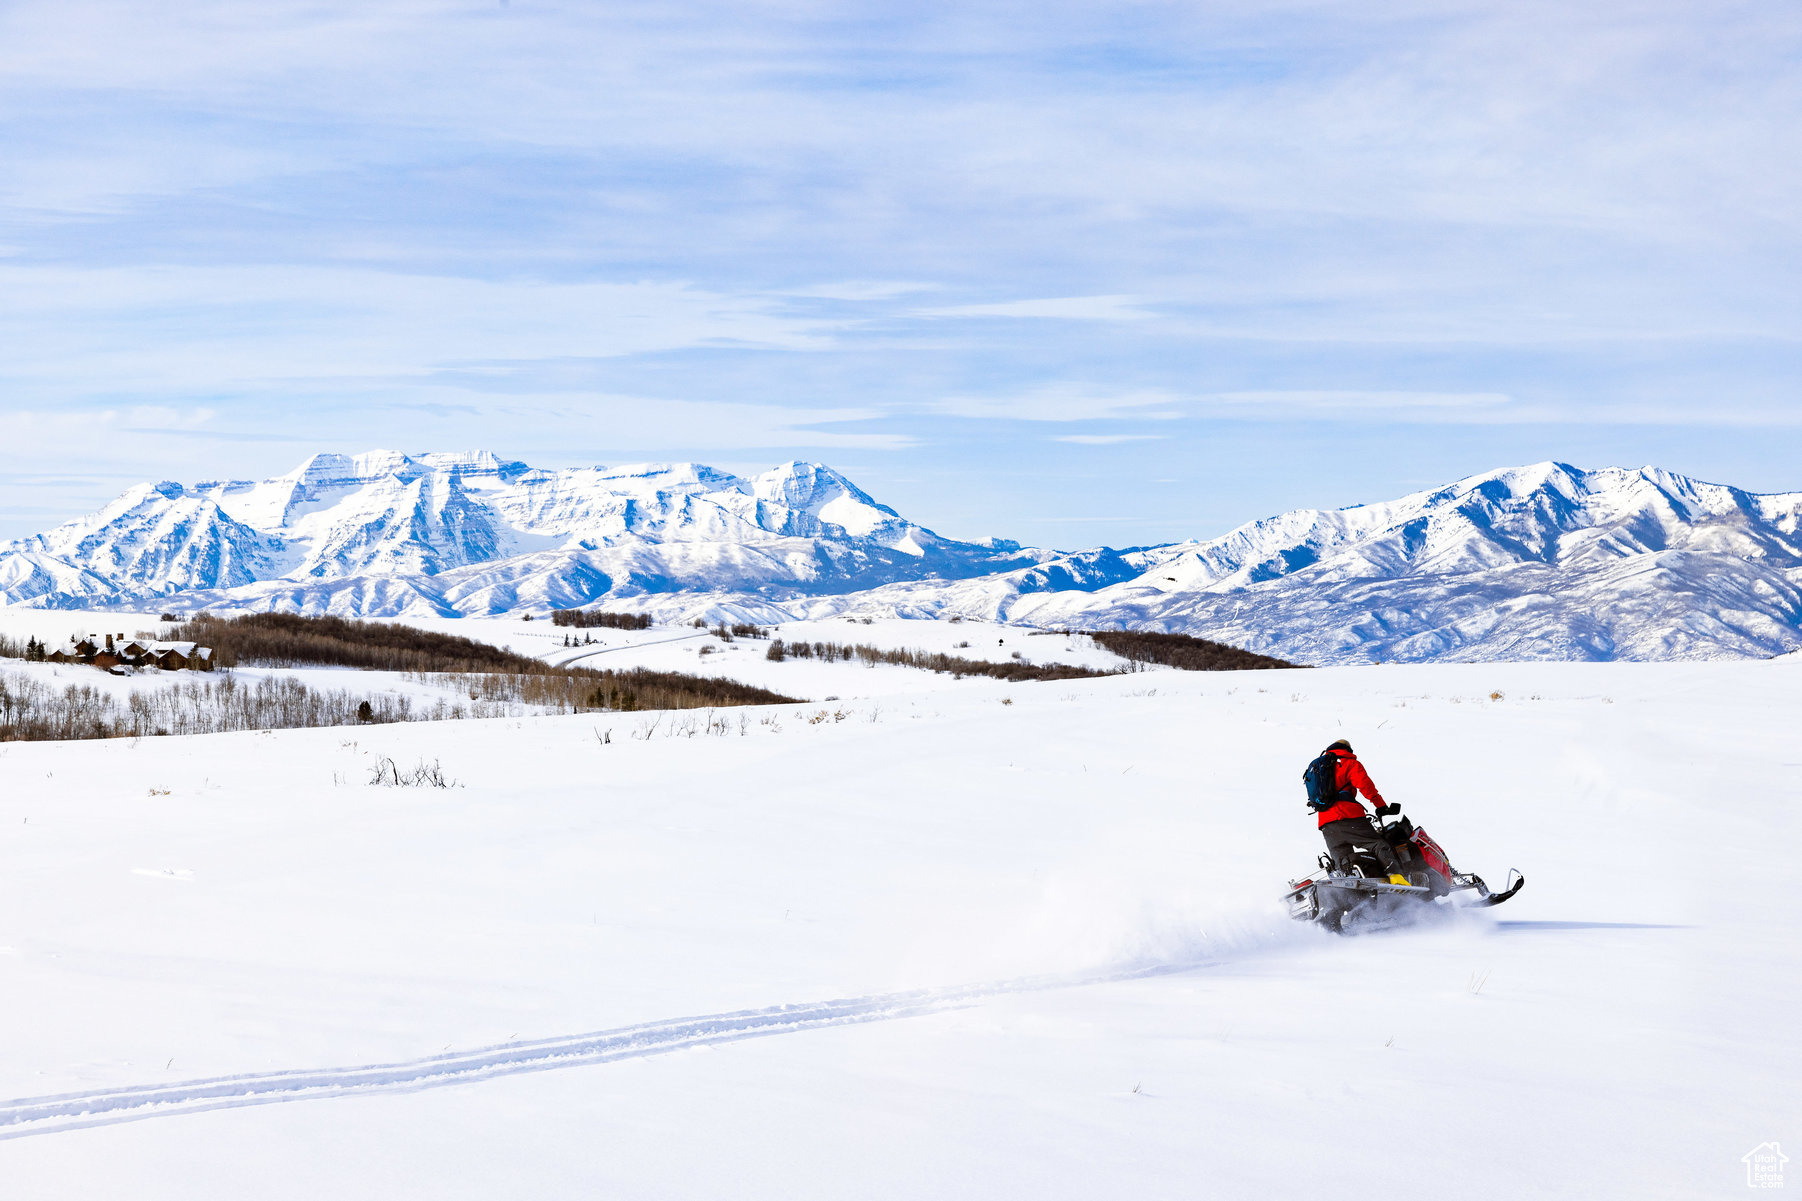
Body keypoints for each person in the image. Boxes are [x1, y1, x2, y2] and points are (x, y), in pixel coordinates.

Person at [1307, 739, 1409, 883]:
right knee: (1377, 844)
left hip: (1326, 824)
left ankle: (1350, 900)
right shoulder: (1349, 763)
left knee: (1344, 865)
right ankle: (1397, 878)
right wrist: (1381, 806)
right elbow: (1366, 787)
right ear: (1347, 749)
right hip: (1348, 816)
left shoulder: (1319, 768)